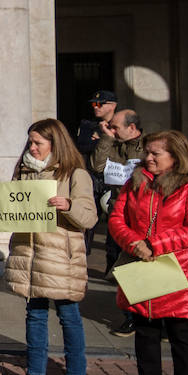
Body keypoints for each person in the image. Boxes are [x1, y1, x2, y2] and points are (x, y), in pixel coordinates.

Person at [0, 119, 96, 375]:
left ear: (55, 143)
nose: (32, 148)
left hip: (61, 257)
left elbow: (89, 217)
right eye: (31, 142)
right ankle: (35, 372)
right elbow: (12, 214)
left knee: (69, 316)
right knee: (34, 314)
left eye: (38, 143)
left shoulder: (74, 174)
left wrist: (69, 205)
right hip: (30, 254)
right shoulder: (23, 172)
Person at [110, 130, 188, 375]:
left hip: (179, 272)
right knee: (146, 333)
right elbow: (117, 219)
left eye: (156, 153)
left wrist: (153, 244)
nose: (148, 158)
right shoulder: (134, 183)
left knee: (182, 336)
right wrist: (134, 244)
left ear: (175, 157)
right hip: (142, 266)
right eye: (147, 152)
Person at [95, 108, 147, 336]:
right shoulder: (113, 143)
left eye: (116, 127)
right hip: (119, 214)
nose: (112, 130)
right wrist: (107, 138)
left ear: (132, 128)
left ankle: (153, 317)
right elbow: (98, 166)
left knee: (145, 269)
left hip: (142, 216)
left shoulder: (149, 146)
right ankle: (131, 317)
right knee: (120, 267)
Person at [75, 90, 117, 255]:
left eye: (100, 104)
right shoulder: (87, 125)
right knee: (87, 222)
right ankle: (82, 257)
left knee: (115, 226)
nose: (96, 107)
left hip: (114, 179)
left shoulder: (121, 124)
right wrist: (102, 141)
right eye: (93, 104)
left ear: (113, 106)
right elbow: (80, 147)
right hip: (93, 178)